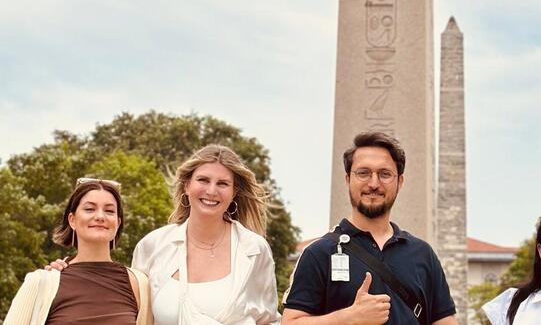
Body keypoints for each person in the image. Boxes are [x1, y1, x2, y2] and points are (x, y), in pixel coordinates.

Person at [46, 144, 281, 324]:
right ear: (187, 185)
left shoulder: (253, 250)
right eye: (203, 180)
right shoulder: (153, 245)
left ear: (234, 192)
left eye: (222, 183)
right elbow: (125, 307)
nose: (211, 190)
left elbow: (269, 320)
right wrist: (67, 273)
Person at [282, 131, 457, 324]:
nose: (374, 183)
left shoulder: (423, 254)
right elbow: (291, 322)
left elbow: (444, 321)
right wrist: (348, 318)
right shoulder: (318, 253)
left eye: (385, 174)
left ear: (400, 182)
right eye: (363, 173)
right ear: (348, 179)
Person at [5, 178, 152, 324]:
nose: (100, 216)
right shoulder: (41, 282)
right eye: (89, 209)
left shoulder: (140, 285)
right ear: (72, 220)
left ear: (118, 223)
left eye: (109, 211)